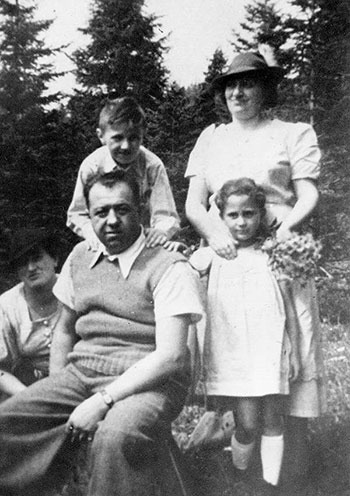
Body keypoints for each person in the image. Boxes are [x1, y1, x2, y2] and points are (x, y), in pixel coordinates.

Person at [0, 169, 203, 496]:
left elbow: (171, 357)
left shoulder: (169, 266)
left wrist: (103, 400)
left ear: (140, 208)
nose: (111, 220)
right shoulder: (80, 257)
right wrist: (58, 387)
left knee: (115, 438)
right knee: (8, 421)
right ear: (89, 215)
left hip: (151, 380)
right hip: (84, 372)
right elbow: (65, 329)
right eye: (100, 212)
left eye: (121, 209)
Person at [185, 50, 325, 495]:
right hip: (227, 251)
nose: (238, 92)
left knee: (288, 349)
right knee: (236, 351)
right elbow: (194, 202)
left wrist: (284, 228)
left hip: (279, 252)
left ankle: (288, 467)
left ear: (266, 89)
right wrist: (215, 235)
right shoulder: (212, 138)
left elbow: (306, 194)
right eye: (230, 85)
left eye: (248, 84)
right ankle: (243, 461)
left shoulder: (292, 132)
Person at [190, 178, 300, 494]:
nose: (242, 222)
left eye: (249, 213)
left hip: (270, 348)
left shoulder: (271, 254)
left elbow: (287, 307)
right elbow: (181, 268)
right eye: (233, 215)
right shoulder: (214, 254)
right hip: (235, 353)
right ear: (221, 219)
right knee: (248, 423)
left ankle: (269, 482)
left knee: (273, 421)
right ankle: (239, 473)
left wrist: (290, 349)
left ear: (260, 215)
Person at [67, 96, 180, 250]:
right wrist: (93, 234)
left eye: (133, 138)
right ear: (101, 136)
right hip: (104, 239)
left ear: (143, 135)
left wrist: (160, 231)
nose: (126, 146)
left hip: (143, 241)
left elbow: (165, 214)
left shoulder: (152, 165)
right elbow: (77, 213)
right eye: (117, 138)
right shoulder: (92, 166)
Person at [0, 228, 62, 397]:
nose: (31, 268)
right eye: (22, 263)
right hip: (27, 386)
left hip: (79, 379)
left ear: (55, 259)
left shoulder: (74, 289)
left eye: (37, 258)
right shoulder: (7, 305)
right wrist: (29, 398)